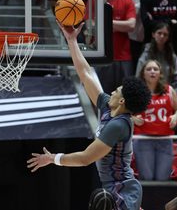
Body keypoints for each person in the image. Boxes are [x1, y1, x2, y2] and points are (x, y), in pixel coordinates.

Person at [27, 21, 152, 210]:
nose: (114, 91)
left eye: (117, 90)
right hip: (112, 188)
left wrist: (53, 158)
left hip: (122, 191)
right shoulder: (109, 107)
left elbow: (86, 158)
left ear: (122, 101)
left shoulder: (118, 125)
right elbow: (86, 74)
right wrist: (71, 41)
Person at [132, 60, 177, 181]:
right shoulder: (137, 91)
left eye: (155, 69)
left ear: (160, 73)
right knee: (147, 178)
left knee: (162, 178)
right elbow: (124, 113)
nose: (152, 72)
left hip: (165, 139)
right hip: (143, 139)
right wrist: (133, 118)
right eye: (149, 69)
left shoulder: (169, 90)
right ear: (143, 73)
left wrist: (175, 117)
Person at [96, 0, 137, 94]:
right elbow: (92, 26)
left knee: (126, 96)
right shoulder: (95, 1)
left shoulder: (127, 1)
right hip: (101, 56)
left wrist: (106, 23)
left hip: (123, 57)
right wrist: (120, 26)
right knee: (102, 96)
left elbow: (131, 25)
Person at [135, 22, 177, 93]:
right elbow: (139, 77)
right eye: (159, 33)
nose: (162, 36)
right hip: (148, 95)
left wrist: (171, 95)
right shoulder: (146, 54)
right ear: (153, 34)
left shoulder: (172, 56)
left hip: (167, 94)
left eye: (165, 34)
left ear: (168, 37)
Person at [122, 0, 158, 69]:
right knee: (137, 68)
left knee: (153, 67)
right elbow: (126, 14)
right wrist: (143, 5)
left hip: (154, 36)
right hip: (135, 38)